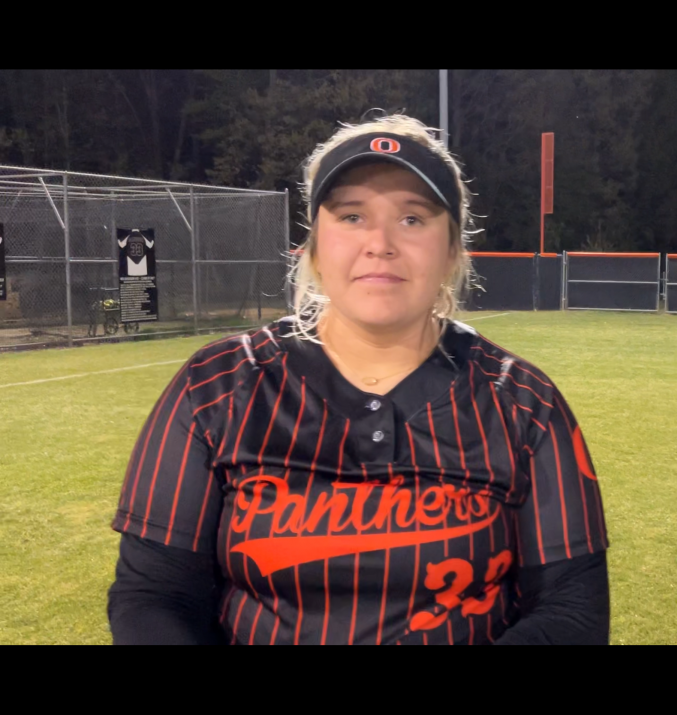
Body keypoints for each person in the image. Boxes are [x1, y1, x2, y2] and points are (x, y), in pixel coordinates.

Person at [107, 115, 610, 645]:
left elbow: (571, 609)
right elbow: (155, 597)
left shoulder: (523, 402)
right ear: (316, 247)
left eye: (413, 219)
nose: (380, 242)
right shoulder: (216, 385)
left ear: (453, 250)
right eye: (351, 215)